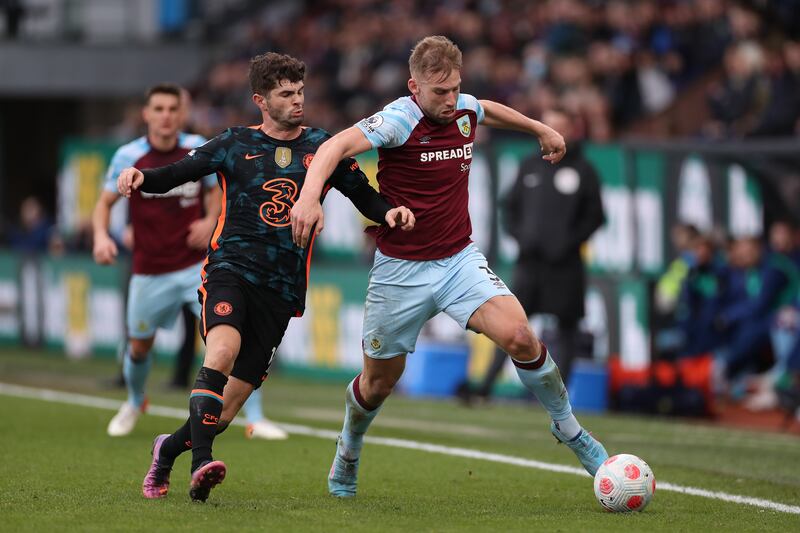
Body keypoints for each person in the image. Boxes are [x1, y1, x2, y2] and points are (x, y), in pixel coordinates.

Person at [290, 35, 609, 498]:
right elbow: (334, 147)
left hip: (458, 260)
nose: (450, 100)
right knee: (377, 385)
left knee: (521, 336)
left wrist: (540, 128)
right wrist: (307, 199)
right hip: (400, 270)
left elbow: (488, 108)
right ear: (413, 87)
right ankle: (350, 446)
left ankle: (569, 429)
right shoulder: (399, 118)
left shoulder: (463, 108)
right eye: (439, 92)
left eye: (455, 88)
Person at [116, 52, 414, 502]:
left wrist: (389, 212)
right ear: (260, 99)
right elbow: (179, 173)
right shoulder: (234, 143)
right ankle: (202, 466)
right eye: (285, 94)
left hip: (282, 289)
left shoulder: (322, 147)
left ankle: (168, 449)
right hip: (229, 271)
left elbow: (365, 196)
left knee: (227, 410)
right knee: (222, 350)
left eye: (300, 92)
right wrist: (142, 176)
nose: (297, 101)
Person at [94, 83, 285, 441]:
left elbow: (217, 193)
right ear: (147, 114)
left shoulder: (198, 149)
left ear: (182, 114)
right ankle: (135, 401)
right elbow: (104, 203)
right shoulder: (128, 155)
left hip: (199, 268)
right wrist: (103, 237)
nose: (166, 116)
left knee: (230, 340)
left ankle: (254, 418)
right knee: (138, 346)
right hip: (149, 271)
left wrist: (209, 220)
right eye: (159, 109)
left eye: (172, 109)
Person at [469, 107, 605, 401]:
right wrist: (522, 238)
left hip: (566, 264)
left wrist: (568, 242)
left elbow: (595, 216)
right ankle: (485, 387)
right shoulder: (529, 165)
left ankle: (558, 397)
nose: (554, 131)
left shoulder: (584, 170)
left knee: (567, 329)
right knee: (511, 326)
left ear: (572, 130)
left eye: (561, 126)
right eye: (549, 125)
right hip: (530, 263)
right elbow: (510, 207)